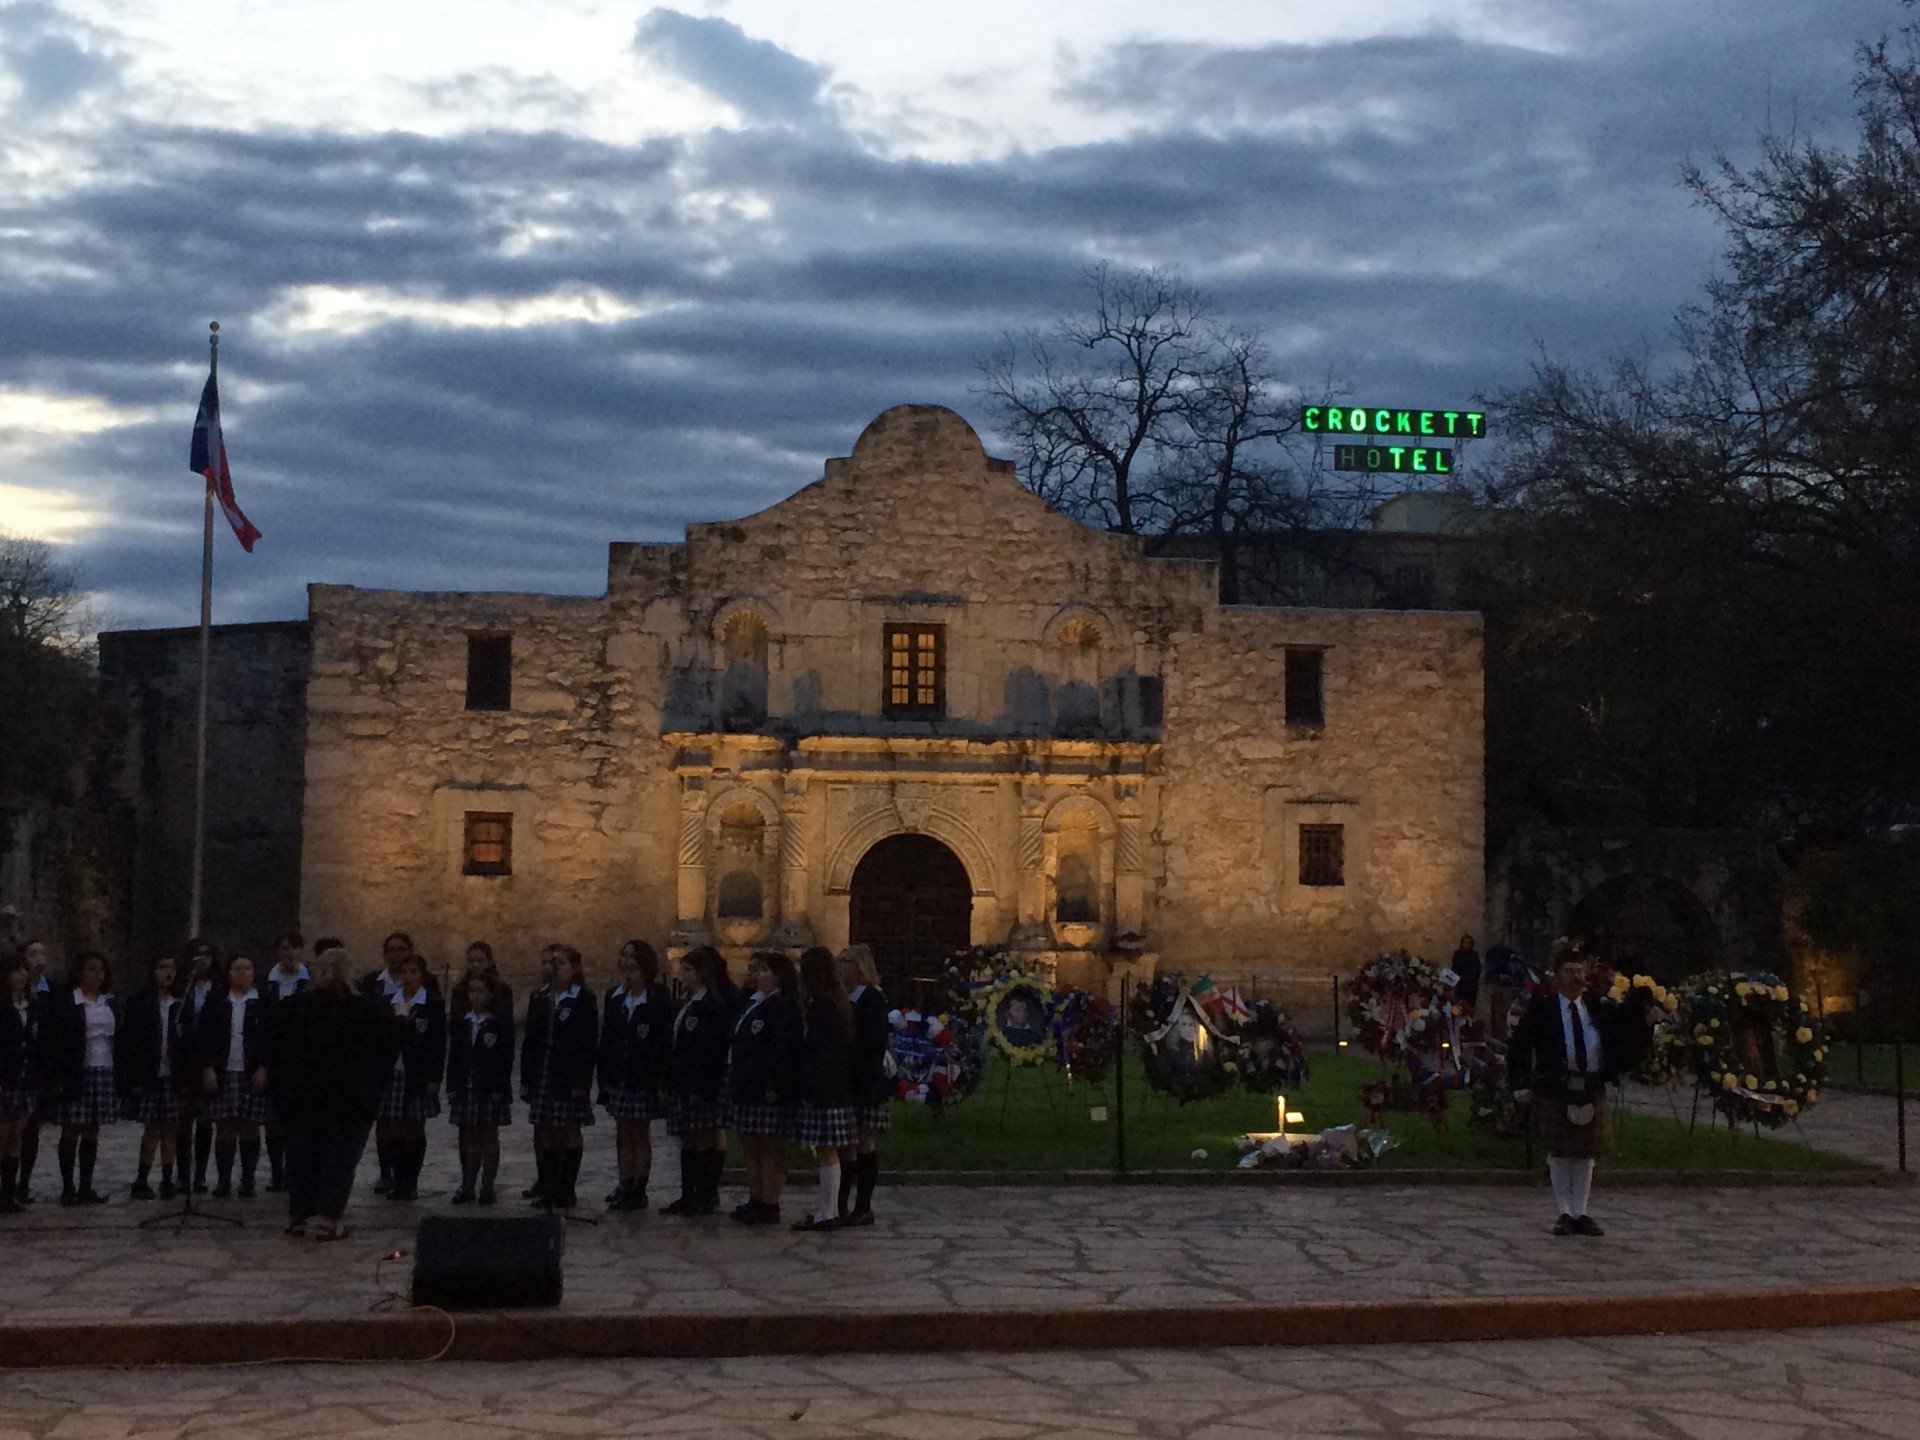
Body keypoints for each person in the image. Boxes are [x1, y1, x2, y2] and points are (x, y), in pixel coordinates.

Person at [1508, 946, 1659, 1237]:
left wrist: (1644, 1025)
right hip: (1555, 1086)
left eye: (1579, 971)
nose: (1576, 977)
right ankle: (1564, 1212)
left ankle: (1581, 1212)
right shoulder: (1542, 1009)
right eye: (1569, 971)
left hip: (1591, 1086)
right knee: (1560, 1153)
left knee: (1586, 1153)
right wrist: (1519, 1085)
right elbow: (1520, 1047)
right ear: (1556, 976)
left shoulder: (1597, 1007)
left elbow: (1621, 1038)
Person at [272, 939, 395, 1241]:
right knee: (339, 1159)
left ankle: (300, 1215)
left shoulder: (295, 1007)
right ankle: (328, 1217)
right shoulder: (368, 1009)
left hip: (304, 1096)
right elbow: (383, 1051)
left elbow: (280, 1050)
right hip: (349, 1098)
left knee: (303, 1156)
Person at [726, 950, 802, 1227]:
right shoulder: (754, 1002)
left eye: (765, 971)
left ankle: (770, 1201)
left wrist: (773, 1081)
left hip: (767, 1087)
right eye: (758, 971)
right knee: (751, 1146)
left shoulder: (783, 1005)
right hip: (746, 1083)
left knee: (769, 1147)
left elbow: (781, 1048)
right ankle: (755, 1197)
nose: (759, 976)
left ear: (779, 976)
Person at [520, 943, 598, 1210]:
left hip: (568, 1075)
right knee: (548, 1132)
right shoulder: (540, 997)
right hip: (544, 1073)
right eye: (552, 963)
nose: (555, 968)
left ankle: (567, 1188)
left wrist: (581, 1082)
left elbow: (587, 1043)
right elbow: (531, 1039)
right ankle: (550, 1186)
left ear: (574, 968)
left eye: (561, 963)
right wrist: (527, 1078)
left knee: (569, 1130)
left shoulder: (583, 999)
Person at [660, 945, 734, 1218]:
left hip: (701, 1083)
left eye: (689, 970)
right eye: (683, 969)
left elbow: (710, 1049)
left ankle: (704, 1194)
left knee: (704, 1137)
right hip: (682, 1079)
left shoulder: (711, 1004)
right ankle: (687, 1194)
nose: (684, 974)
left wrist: (701, 1086)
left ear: (703, 973)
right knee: (687, 1137)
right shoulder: (685, 1002)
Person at [598, 939, 671, 1211]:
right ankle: (625, 1182)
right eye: (624, 956)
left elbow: (662, 1042)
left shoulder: (657, 999)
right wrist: (605, 1076)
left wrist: (659, 1078)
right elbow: (608, 1039)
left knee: (640, 1132)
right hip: (620, 1075)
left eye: (632, 957)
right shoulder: (616, 998)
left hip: (644, 1076)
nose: (626, 962)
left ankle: (639, 1187)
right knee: (622, 1132)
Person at [791, 946, 857, 1232]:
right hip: (834, 1086)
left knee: (827, 1151)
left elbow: (819, 1050)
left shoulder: (823, 1005)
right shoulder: (835, 1002)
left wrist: (810, 1085)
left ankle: (827, 1212)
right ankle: (827, 1209)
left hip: (825, 1088)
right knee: (826, 1151)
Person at [196, 952, 270, 1199]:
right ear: (228, 973)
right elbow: (205, 1036)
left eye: (247, 968)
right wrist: (208, 1067)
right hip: (224, 1071)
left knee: (249, 1126)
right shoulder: (217, 1000)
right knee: (225, 1126)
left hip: (251, 1071)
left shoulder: (263, 1001)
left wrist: (264, 1067)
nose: (242, 973)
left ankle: (248, 1180)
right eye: (237, 968)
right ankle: (224, 1180)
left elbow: (271, 1037)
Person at [374, 951, 445, 1202]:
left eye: (413, 972)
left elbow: (437, 1044)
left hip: (417, 1073)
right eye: (404, 972)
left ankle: (411, 1181)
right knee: (393, 1127)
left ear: (422, 975)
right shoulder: (388, 1003)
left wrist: (435, 1077)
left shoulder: (431, 1004)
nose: (408, 977)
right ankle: (396, 1178)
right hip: (393, 1072)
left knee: (414, 1127)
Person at [116, 953, 185, 1201]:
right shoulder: (140, 1002)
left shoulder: (180, 1002)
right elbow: (131, 1041)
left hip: (173, 1075)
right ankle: (142, 1178)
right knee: (152, 1129)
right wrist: (133, 1077)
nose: (168, 973)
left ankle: (167, 1178)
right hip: (150, 1075)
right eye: (162, 967)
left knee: (171, 1129)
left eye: (172, 968)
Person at [53, 951, 118, 1206]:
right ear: (80, 973)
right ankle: (68, 1187)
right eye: (91, 969)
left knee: (92, 1129)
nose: (97, 975)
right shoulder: (69, 1001)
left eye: (101, 970)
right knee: (71, 1128)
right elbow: (60, 1040)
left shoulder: (109, 1002)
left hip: (104, 1069)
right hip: (78, 1071)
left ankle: (86, 1185)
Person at [446, 969, 514, 1205]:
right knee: (467, 1138)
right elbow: (454, 1056)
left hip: (489, 1089)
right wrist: (452, 1085)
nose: (475, 996)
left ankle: (487, 1186)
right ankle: (467, 1185)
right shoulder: (462, 1022)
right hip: (466, 1088)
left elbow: (505, 1059)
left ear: (490, 994)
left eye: (480, 991)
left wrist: (500, 1089)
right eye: (472, 991)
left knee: (488, 1137)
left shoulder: (499, 1023)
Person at [837, 943, 891, 1226]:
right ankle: (841, 1203)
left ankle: (863, 1205)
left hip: (866, 1081)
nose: (839, 965)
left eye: (845, 961)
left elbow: (874, 1043)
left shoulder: (872, 999)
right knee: (845, 1142)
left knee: (863, 1140)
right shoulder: (842, 997)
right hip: (844, 1079)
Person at [258, 931, 309, 1193]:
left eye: (292, 948)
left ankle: (296, 1170)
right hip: (275, 1056)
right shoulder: (267, 983)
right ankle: (277, 1171)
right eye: (284, 949)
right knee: (274, 1118)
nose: (288, 953)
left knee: (299, 1119)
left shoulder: (309, 981)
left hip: (301, 1057)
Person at [175, 937, 222, 1195]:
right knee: (183, 1122)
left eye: (207, 954)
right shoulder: (182, 987)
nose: (202, 959)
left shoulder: (219, 988)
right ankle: (182, 1175)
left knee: (204, 1122)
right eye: (197, 954)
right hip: (184, 1062)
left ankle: (200, 1175)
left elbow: (220, 1029)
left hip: (208, 1061)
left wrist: (211, 1064)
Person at [0, 952, 46, 1212]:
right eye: (15, 970)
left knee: (18, 1135)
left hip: (26, 1078)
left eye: (23, 970)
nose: (20, 975)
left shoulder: (32, 1006)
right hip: (5, 1078)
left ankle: (9, 1191)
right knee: (3, 1134)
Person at [15, 938, 53, 1204]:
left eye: (42, 952)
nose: (38, 958)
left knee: (31, 1131)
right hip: (15, 1069)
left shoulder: (52, 992)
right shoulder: (14, 995)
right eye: (33, 953)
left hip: (38, 1071)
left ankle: (24, 1184)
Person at [451, 941, 513, 1021]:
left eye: (480, 961)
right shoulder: (460, 989)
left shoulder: (501, 989)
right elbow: (456, 1020)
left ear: (489, 962)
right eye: (471, 961)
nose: (475, 965)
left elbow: (506, 1020)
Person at [1450, 934, 1482, 1011]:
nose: (1467, 945)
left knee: (1469, 1008)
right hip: (1460, 986)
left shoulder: (1474, 955)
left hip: (1471, 986)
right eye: (1465, 942)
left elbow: (1477, 970)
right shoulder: (1457, 955)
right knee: (1458, 1009)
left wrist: (1473, 981)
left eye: (1469, 943)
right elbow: (1455, 969)